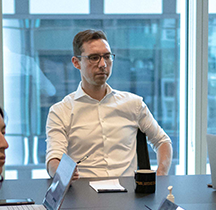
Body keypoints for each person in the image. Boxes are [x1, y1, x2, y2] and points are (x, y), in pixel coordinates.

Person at [45, 29, 173, 178]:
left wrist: (161, 175)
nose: (102, 64)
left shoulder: (133, 104)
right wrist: (60, 171)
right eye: (93, 58)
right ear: (76, 62)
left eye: (107, 57)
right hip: (83, 195)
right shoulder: (61, 111)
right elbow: (54, 158)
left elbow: (162, 141)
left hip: (128, 195)